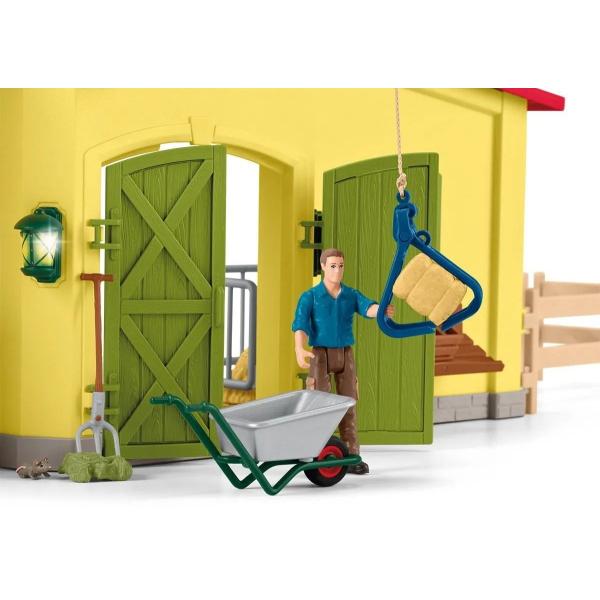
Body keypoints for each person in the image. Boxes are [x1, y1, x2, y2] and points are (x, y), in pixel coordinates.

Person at [292, 248, 394, 475]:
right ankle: (318, 453)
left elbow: (367, 307)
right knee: (319, 405)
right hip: (319, 355)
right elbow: (300, 324)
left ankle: (351, 454)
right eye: (332, 266)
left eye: (340, 266)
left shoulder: (350, 295)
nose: (337, 271)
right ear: (323, 267)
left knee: (348, 404)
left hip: (345, 354)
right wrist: (299, 348)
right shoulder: (310, 296)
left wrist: (380, 311)